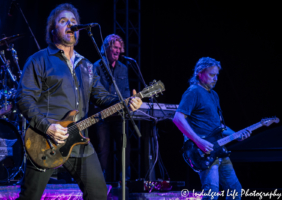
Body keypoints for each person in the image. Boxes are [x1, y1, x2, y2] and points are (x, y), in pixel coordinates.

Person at [15, 4, 142, 200]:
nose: (70, 24)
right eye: (63, 21)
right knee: (30, 196)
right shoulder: (38, 60)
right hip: (45, 141)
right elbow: (23, 99)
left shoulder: (87, 66)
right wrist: (48, 127)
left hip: (79, 140)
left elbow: (102, 97)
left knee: (98, 194)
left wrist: (126, 102)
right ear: (52, 29)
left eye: (74, 22)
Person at [173, 57, 250, 200]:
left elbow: (219, 127)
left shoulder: (214, 95)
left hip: (219, 149)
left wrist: (236, 134)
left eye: (217, 75)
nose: (215, 79)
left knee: (235, 190)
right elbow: (177, 118)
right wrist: (199, 141)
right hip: (204, 151)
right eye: (211, 75)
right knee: (212, 192)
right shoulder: (193, 91)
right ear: (199, 72)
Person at [89, 34, 131, 181]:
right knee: (103, 149)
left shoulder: (123, 68)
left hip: (119, 115)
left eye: (120, 48)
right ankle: (100, 181)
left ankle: (124, 181)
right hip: (101, 116)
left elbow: (125, 90)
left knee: (124, 146)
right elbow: (95, 94)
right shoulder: (96, 66)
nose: (118, 51)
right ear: (107, 48)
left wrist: (128, 102)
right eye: (115, 47)